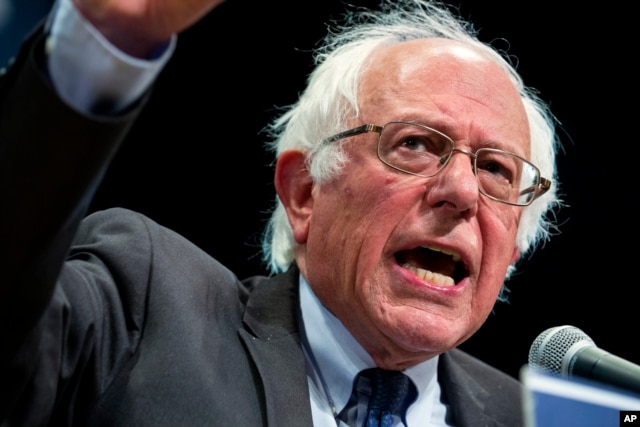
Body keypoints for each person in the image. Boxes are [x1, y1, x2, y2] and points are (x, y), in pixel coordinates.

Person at [0, 0, 562, 425]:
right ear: (303, 192)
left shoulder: (540, 419)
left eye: (496, 170)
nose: (462, 190)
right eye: (415, 144)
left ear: (511, 249)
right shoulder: (147, 307)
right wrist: (106, 41)